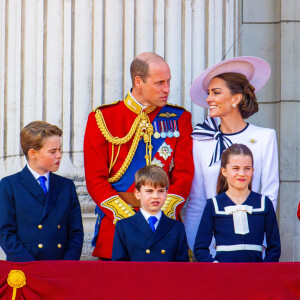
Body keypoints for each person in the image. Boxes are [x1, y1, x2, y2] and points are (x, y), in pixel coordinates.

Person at [84, 52, 194, 260]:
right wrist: (128, 220)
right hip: (117, 227)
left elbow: (184, 175)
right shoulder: (103, 118)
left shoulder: (180, 118)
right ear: (138, 81)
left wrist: (162, 213)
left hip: (163, 226)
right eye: (160, 82)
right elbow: (95, 179)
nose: (167, 89)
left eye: (168, 81)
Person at [184, 56, 279, 251]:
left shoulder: (265, 137)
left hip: (252, 245)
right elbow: (196, 202)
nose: (209, 99)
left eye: (216, 93)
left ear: (236, 98)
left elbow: (269, 196)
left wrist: (260, 244)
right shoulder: (201, 140)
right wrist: (196, 249)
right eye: (209, 93)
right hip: (211, 247)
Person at [0, 121, 84, 262]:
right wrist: (32, 267)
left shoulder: (66, 186)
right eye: (53, 151)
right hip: (25, 268)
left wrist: (67, 265)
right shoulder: (10, 185)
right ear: (33, 153)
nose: (59, 155)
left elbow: (75, 233)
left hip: (60, 269)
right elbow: (5, 233)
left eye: (60, 149)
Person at [194, 144, 280, 262]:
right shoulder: (213, 204)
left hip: (256, 275)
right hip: (223, 275)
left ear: (253, 170)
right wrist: (215, 267)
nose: (242, 173)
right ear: (224, 171)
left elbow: (274, 247)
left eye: (247, 168)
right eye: (235, 168)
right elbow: (200, 248)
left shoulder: (264, 203)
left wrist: (264, 271)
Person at [112, 165, 189, 261]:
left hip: (167, 276)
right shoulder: (124, 226)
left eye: (161, 191)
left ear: (166, 193)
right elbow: (119, 266)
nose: (155, 196)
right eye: (149, 191)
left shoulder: (177, 227)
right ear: (137, 193)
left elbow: (182, 267)